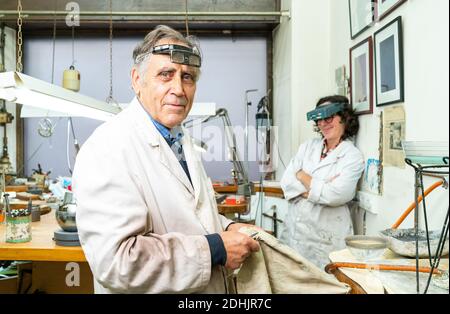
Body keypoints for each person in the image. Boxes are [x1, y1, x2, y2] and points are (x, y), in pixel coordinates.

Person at [72, 25, 259, 294]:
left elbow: (185, 214)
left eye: (188, 77)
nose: (179, 89)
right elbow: (119, 262)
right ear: (137, 80)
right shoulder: (108, 147)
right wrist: (216, 249)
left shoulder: (178, 138)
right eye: (165, 74)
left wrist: (228, 227)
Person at [279, 95, 364, 270]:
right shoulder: (308, 146)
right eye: (319, 120)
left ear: (344, 118)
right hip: (294, 234)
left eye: (329, 117)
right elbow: (287, 181)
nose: (323, 123)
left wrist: (302, 176)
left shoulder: (351, 156)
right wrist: (319, 188)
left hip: (326, 240)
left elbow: (336, 195)